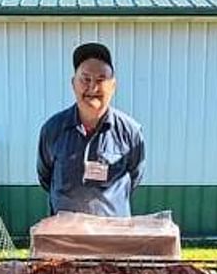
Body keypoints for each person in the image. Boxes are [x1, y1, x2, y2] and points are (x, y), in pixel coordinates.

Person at [37, 42, 146, 217]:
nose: (93, 88)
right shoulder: (52, 130)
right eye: (85, 79)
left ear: (113, 86)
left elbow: (134, 177)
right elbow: (45, 178)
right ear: (73, 84)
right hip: (64, 239)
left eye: (101, 80)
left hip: (112, 239)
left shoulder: (130, 132)